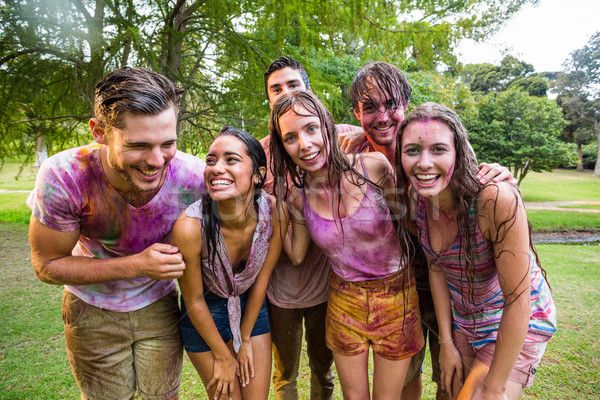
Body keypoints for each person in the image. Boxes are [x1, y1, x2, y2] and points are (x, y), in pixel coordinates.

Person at [28, 67, 206, 400]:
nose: (156, 161)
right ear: (99, 131)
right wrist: (138, 265)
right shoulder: (64, 176)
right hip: (90, 308)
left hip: (159, 304)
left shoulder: (194, 177)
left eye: (168, 143)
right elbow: (47, 265)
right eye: (139, 145)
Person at [343, 61, 516, 400]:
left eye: (391, 104)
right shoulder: (352, 151)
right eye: (370, 107)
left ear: (405, 104)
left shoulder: (433, 151)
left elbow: (474, 189)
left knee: (451, 382)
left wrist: (499, 172)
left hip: (448, 287)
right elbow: (300, 136)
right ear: (356, 112)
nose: (382, 116)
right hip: (393, 291)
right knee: (405, 378)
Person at [270, 90, 425, 400]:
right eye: (290, 138)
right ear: (283, 147)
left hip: (397, 296)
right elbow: (297, 254)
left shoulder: (374, 168)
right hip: (344, 300)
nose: (304, 144)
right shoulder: (298, 198)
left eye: (311, 128)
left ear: (327, 125)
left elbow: (413, 218)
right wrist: (274, 205)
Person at [395, 102, 557, 400]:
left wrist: (495, 387)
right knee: (456, 391)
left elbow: (518, 299)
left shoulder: (493, 199)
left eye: (439, 149)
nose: (424, 162)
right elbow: (436, 268)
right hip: (466, 321)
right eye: (413, 150)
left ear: (458, 151)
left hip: (516, 319)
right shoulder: (415, 200)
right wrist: (445, 342)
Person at [261, 56, 360, 400]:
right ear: (269, 99)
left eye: (294, 85)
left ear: (310, 92)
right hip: (280, 288)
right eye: (276, 89)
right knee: (284, 374)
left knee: (323, 369)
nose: (285, 93)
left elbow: (393, 133)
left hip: (328, 288)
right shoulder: (262, 153)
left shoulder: (344, 138)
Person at [172, 126, 286, 400]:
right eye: (211, 161)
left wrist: (245, 338)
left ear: (257, 174)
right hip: (204, 313)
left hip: (251, 306)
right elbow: (193, 298)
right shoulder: (190, 227)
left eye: (231, 159)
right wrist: (224, 357)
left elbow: (262, 278)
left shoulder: (274, 211)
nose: (216, 168)